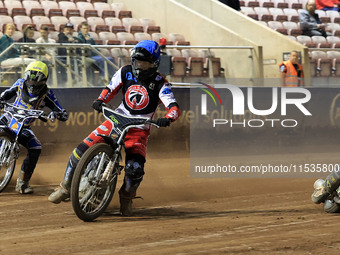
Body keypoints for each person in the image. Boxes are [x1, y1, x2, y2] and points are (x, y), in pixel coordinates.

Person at [48, 40, 181, 216]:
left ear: (154, 64)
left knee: (135, 169)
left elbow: (174, 107)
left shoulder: (161, 83)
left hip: (138, 129)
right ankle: (65, 186)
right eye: (136, 61)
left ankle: (126, 198)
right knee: (80, 150)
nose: (139, 66)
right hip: (115, 120)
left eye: (144, 63)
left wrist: (168, 118)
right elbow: (110, 88)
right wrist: (100, 100)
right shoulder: (125, 71)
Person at [0, 61, 68, 194]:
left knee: (36, 147)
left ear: (43, 81)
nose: (32, 83)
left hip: (24, 127)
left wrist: (57, 113)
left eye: (36, 81)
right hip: (8, 118)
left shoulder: (47, 94)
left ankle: (23, 183)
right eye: (30, 79)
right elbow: (5, 95)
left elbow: (60, 110)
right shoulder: (19, 83)